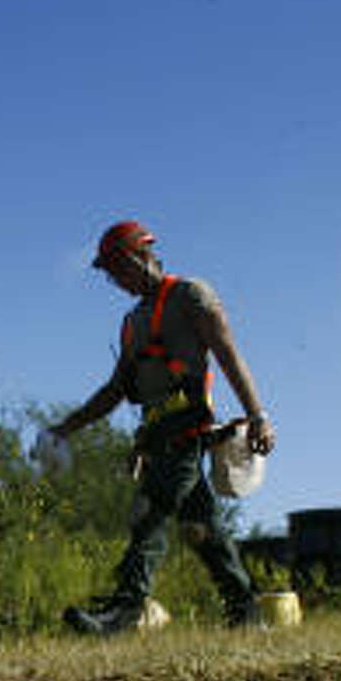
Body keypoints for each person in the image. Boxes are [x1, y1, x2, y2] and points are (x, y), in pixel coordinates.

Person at [49, 220, 275, 634]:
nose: (117, 281)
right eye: (111, 275)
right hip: (157, 439)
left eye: (119, 270)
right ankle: (246, 612)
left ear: (140, 256)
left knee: (148, 514)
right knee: (203, 528)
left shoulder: (191, 296)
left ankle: (125, 611)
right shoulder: (133, 323)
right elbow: (117, 389)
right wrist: (68, 427)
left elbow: (228, 356)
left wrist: (257, 414)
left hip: (188, 433)